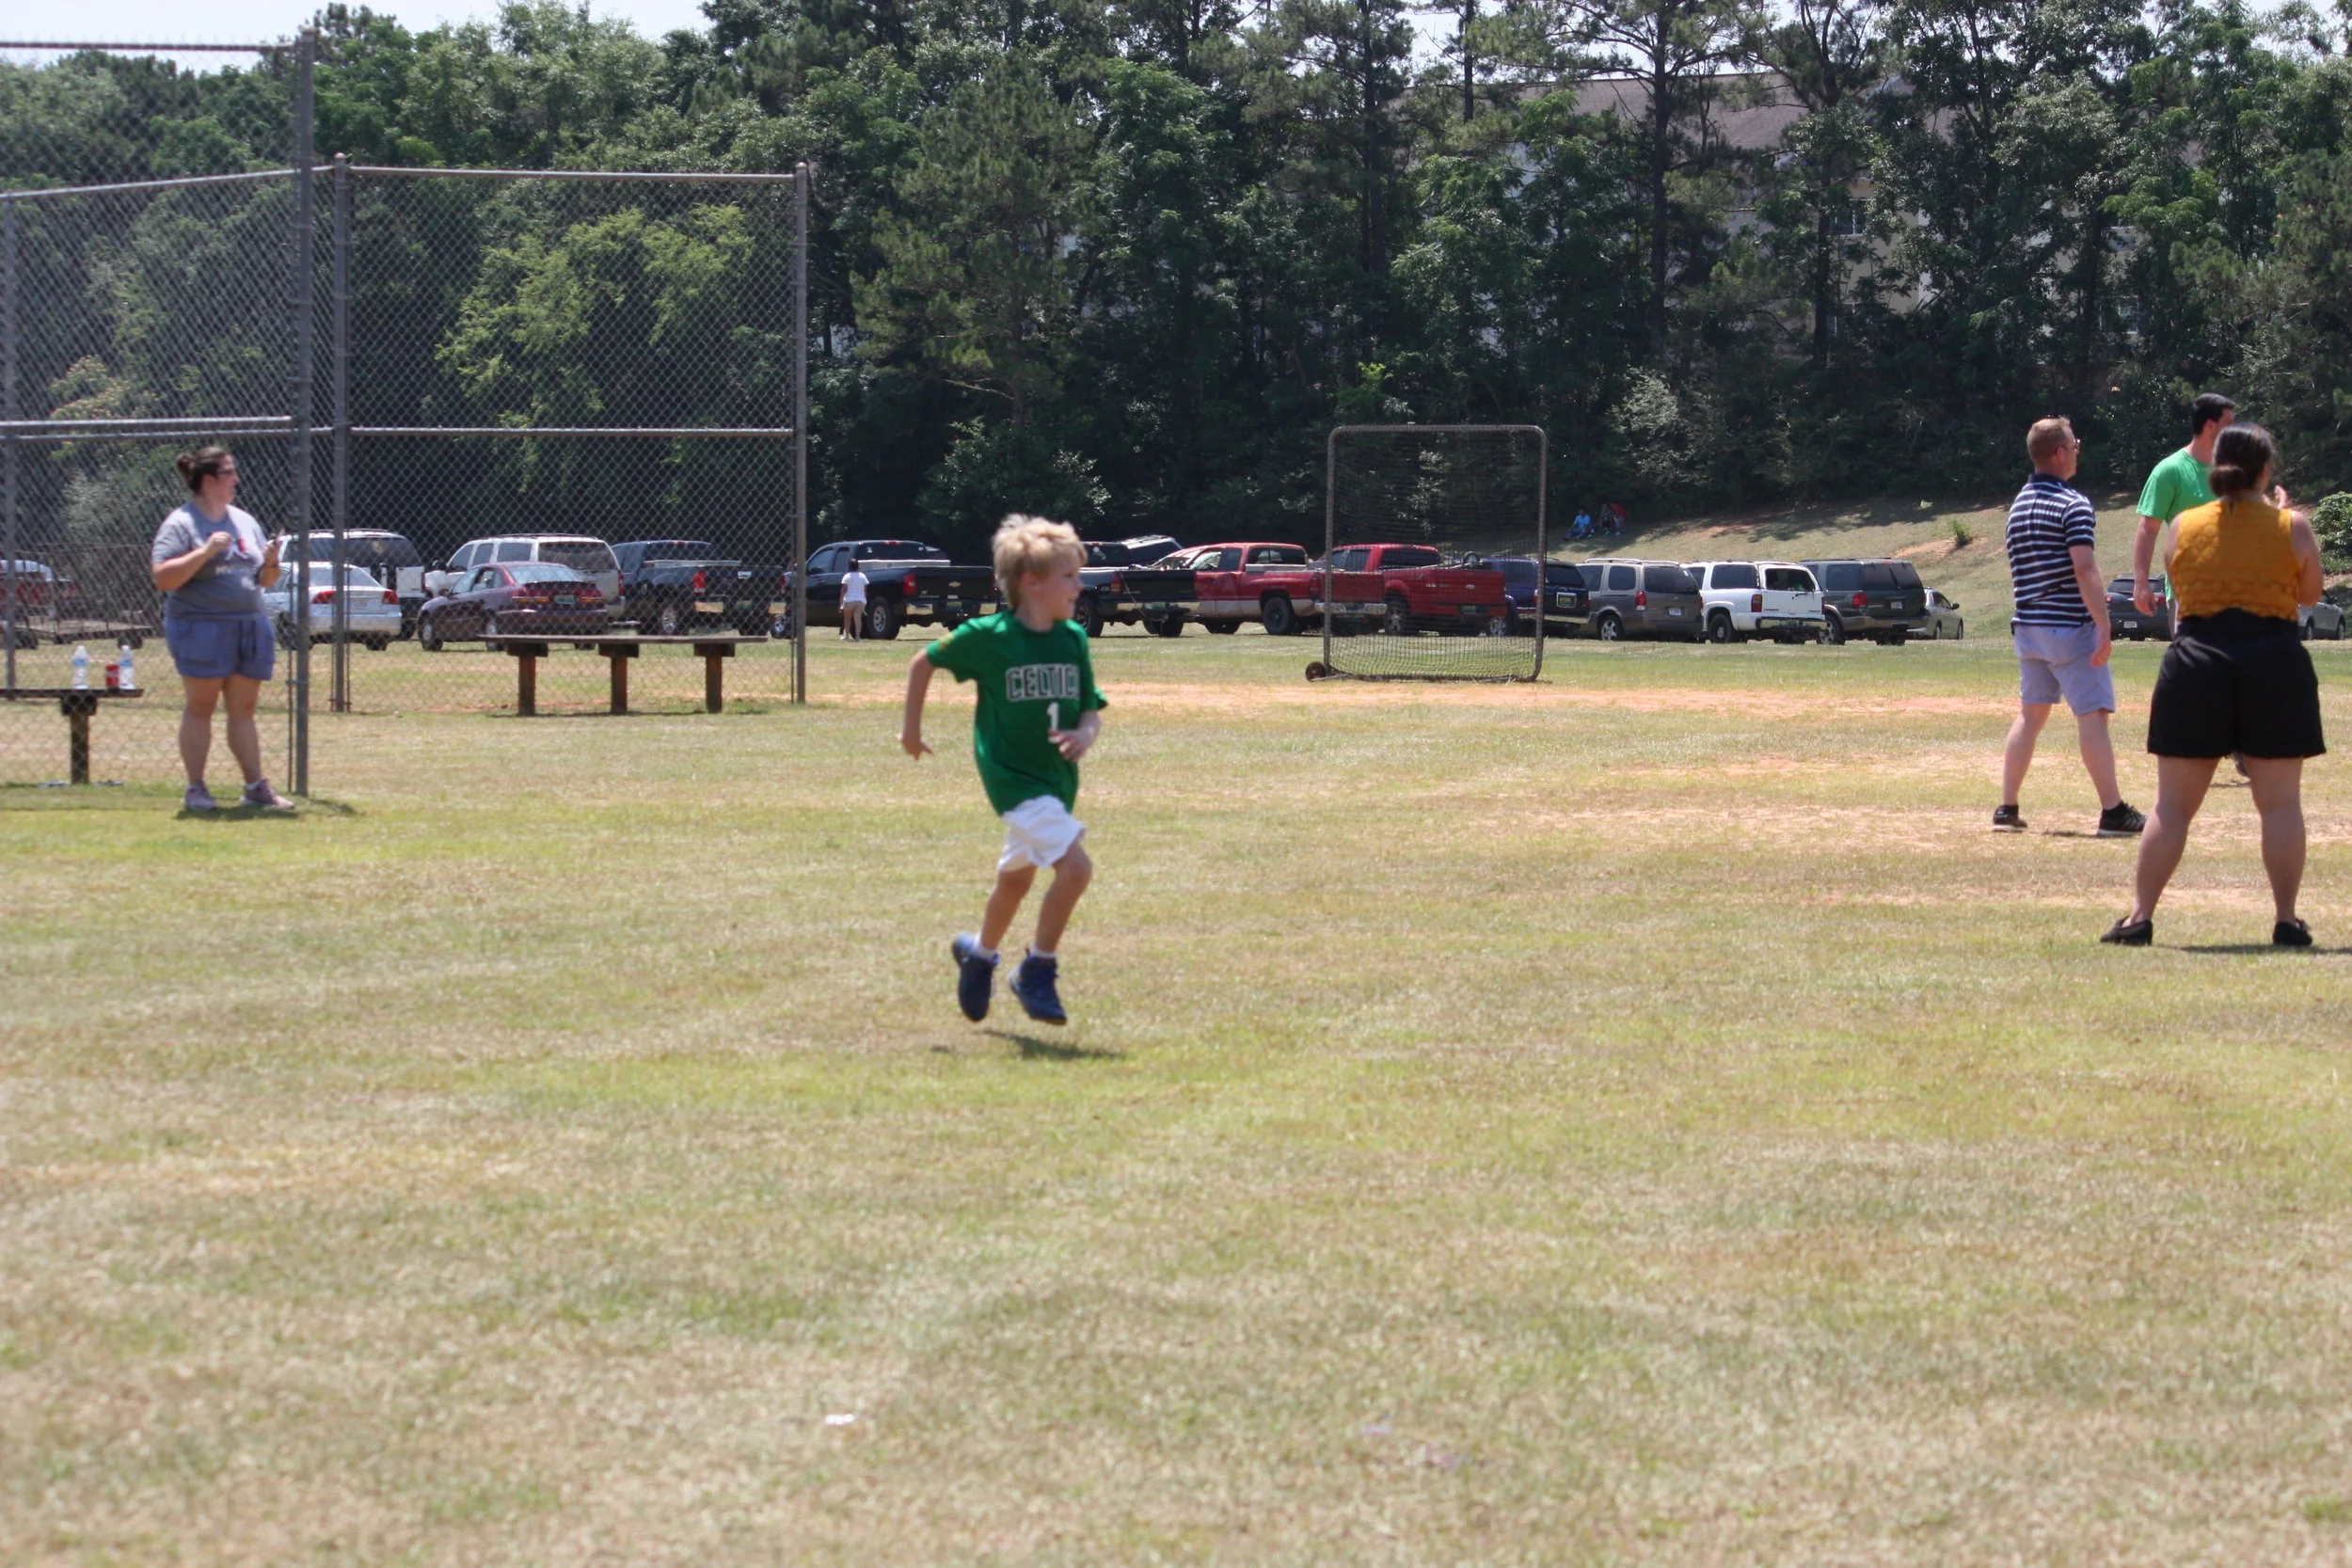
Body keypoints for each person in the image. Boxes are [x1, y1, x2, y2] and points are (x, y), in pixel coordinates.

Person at [2104, 422, 2325, 946]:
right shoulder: (2291, 524)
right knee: (2280, 804)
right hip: (2273, 659)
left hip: (2198, 659)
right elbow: (2311, 596)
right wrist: (2281, 515)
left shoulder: (2182, 524)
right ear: (2265, 469)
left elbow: (2183, 581)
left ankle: (2140, 918)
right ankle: (2286, 920)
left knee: (2172, 807)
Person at [901, 515, 1104, 1025]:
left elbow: (1089, 709)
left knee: (1016, 881)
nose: (1079, 587)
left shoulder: (1072, 639)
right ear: (1031, 582)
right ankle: (1037, 968)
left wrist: (1084, 734)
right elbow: (922, 662)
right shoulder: (988, 637)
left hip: (1056, 782)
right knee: (1076, 869)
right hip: (1012, 780)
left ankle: (981, 953)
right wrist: (910, 729)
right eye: (1069, 577)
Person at [1994, 417, 2145, 837]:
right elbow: (2084, 567)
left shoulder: (2018, 506)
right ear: (2059, 452)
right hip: (2069, 629)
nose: (2079, 449)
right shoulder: (2073, 503)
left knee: (2030, 716)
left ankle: (2007, 809)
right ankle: (2113, 812)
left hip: (2029, 627)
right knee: (2093, 715)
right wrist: (2103, 622)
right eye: (2074, 443)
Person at [149, 447, 293, 812]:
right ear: (209, 480)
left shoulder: (243, 520)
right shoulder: (182, 524)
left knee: (243, 710)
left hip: (248, 624)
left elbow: (265, 580)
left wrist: (271, 563)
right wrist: (204, 551)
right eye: (229, 473)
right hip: (200, 627)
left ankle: (255, 788)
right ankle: (196, 789)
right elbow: (163, 578)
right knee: (201, 706)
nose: (236, 480)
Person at [2133, 392, 2235, 616]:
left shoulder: (2233, 471)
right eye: (2229, 424)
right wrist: (2141, 584)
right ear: (2210, 425)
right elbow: (2147, 530)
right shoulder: (2170, 471)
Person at [839, 560, 869, 641]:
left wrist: (841, 603)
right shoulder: (862, 576)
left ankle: (846, 636)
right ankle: (858, 636)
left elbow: (844, 590)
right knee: (857, 618)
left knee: (848, 618)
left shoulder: (847, 576)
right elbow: (865, 589)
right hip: (860, 601)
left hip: (849, 601)